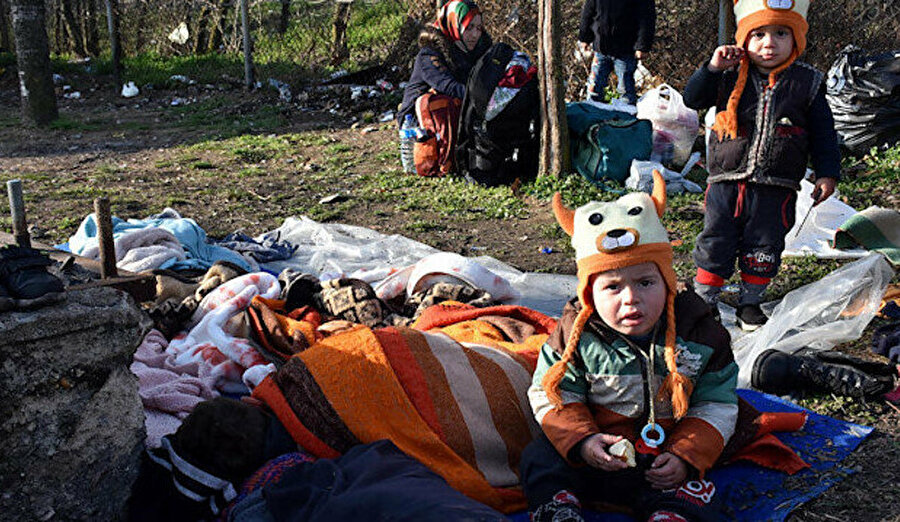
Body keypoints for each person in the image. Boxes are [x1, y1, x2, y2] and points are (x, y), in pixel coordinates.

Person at [521, 172, 739, 522]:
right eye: (612, 287)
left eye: (646, 282)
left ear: (668, 282)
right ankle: (559, 509)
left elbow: (717, 403)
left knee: (696, 488)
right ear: (589, 292)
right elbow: (553, 394)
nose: (631, 299)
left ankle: (669, 513)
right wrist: (584, 442)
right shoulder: (575, 335)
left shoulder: (700, 334)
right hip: (594, 454)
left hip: (661, 456)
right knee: (540, 455)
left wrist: (684, 456)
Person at [683, 0, 841, 331]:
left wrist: (827, 173)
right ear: (744, 39)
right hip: (727, 180)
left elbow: (824, 133)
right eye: (758, 35)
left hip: (777, 186)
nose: (769, 43)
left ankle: (750, 303)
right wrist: (710, 69)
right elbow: (693, 99)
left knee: (765, 244)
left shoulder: (807, 83)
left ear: (796, 39)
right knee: (716, 239)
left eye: (781, 33)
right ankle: (704, 301)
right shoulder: (727, 76)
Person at [397, 0, 491, 126]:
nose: (475, 35)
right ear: (454, 24)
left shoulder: (476, 48)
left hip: (457, 115)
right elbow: (448, 86)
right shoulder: (430, 53)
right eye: (468, 27)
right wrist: (487, 98)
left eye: (478, 28)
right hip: (419, 123)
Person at [577, 0, 655, 105]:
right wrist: (585, 37)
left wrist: (642, 46)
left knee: (625, 90)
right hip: (601, 49)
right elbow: (588, 12)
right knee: (594, 87)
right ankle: (591, 115)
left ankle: (628, 117)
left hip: (626, 50)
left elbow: (647, 18)